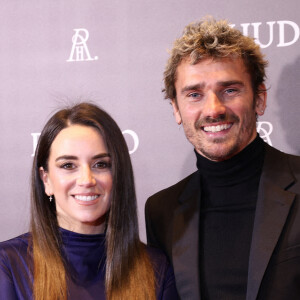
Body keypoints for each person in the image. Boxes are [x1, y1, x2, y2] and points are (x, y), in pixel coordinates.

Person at [145, 17, 300, 300]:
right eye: (194, 94)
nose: (214, 109)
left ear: (260, 99)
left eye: (230, 90)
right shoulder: (161, 211)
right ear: (176, 109)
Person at [0, 103, 179, 300]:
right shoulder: (9, 265)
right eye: (68, 165)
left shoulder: (155, 269)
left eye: (100, 164)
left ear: (118, 175)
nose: (87, 180)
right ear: (46, 180)